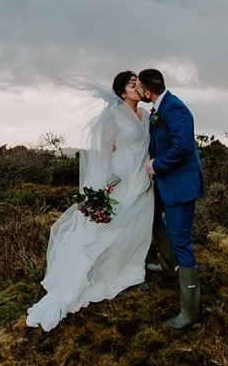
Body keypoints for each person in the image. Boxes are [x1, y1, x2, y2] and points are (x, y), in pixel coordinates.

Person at [25, 71, 154, 332]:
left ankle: (130, 268)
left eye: (138, 83)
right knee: (110, 228)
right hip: (119, 178)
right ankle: (97, 274)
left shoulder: (148, 116)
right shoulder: (112, 116)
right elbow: (105, 151)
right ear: (121, 91)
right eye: (132, 84)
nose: (137, 86)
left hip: (142, 175)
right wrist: (107, 181)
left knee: (138, 224)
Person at [139, 67, 204, 329]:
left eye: (139, 87)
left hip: (180, 185)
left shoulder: (175, 108)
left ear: (147, 90)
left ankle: (189, 312)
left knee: (181, 241)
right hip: (166, 184)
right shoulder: (160, 107)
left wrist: (156, 166)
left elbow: (181, 147)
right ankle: (167, 266)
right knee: (153, 219)